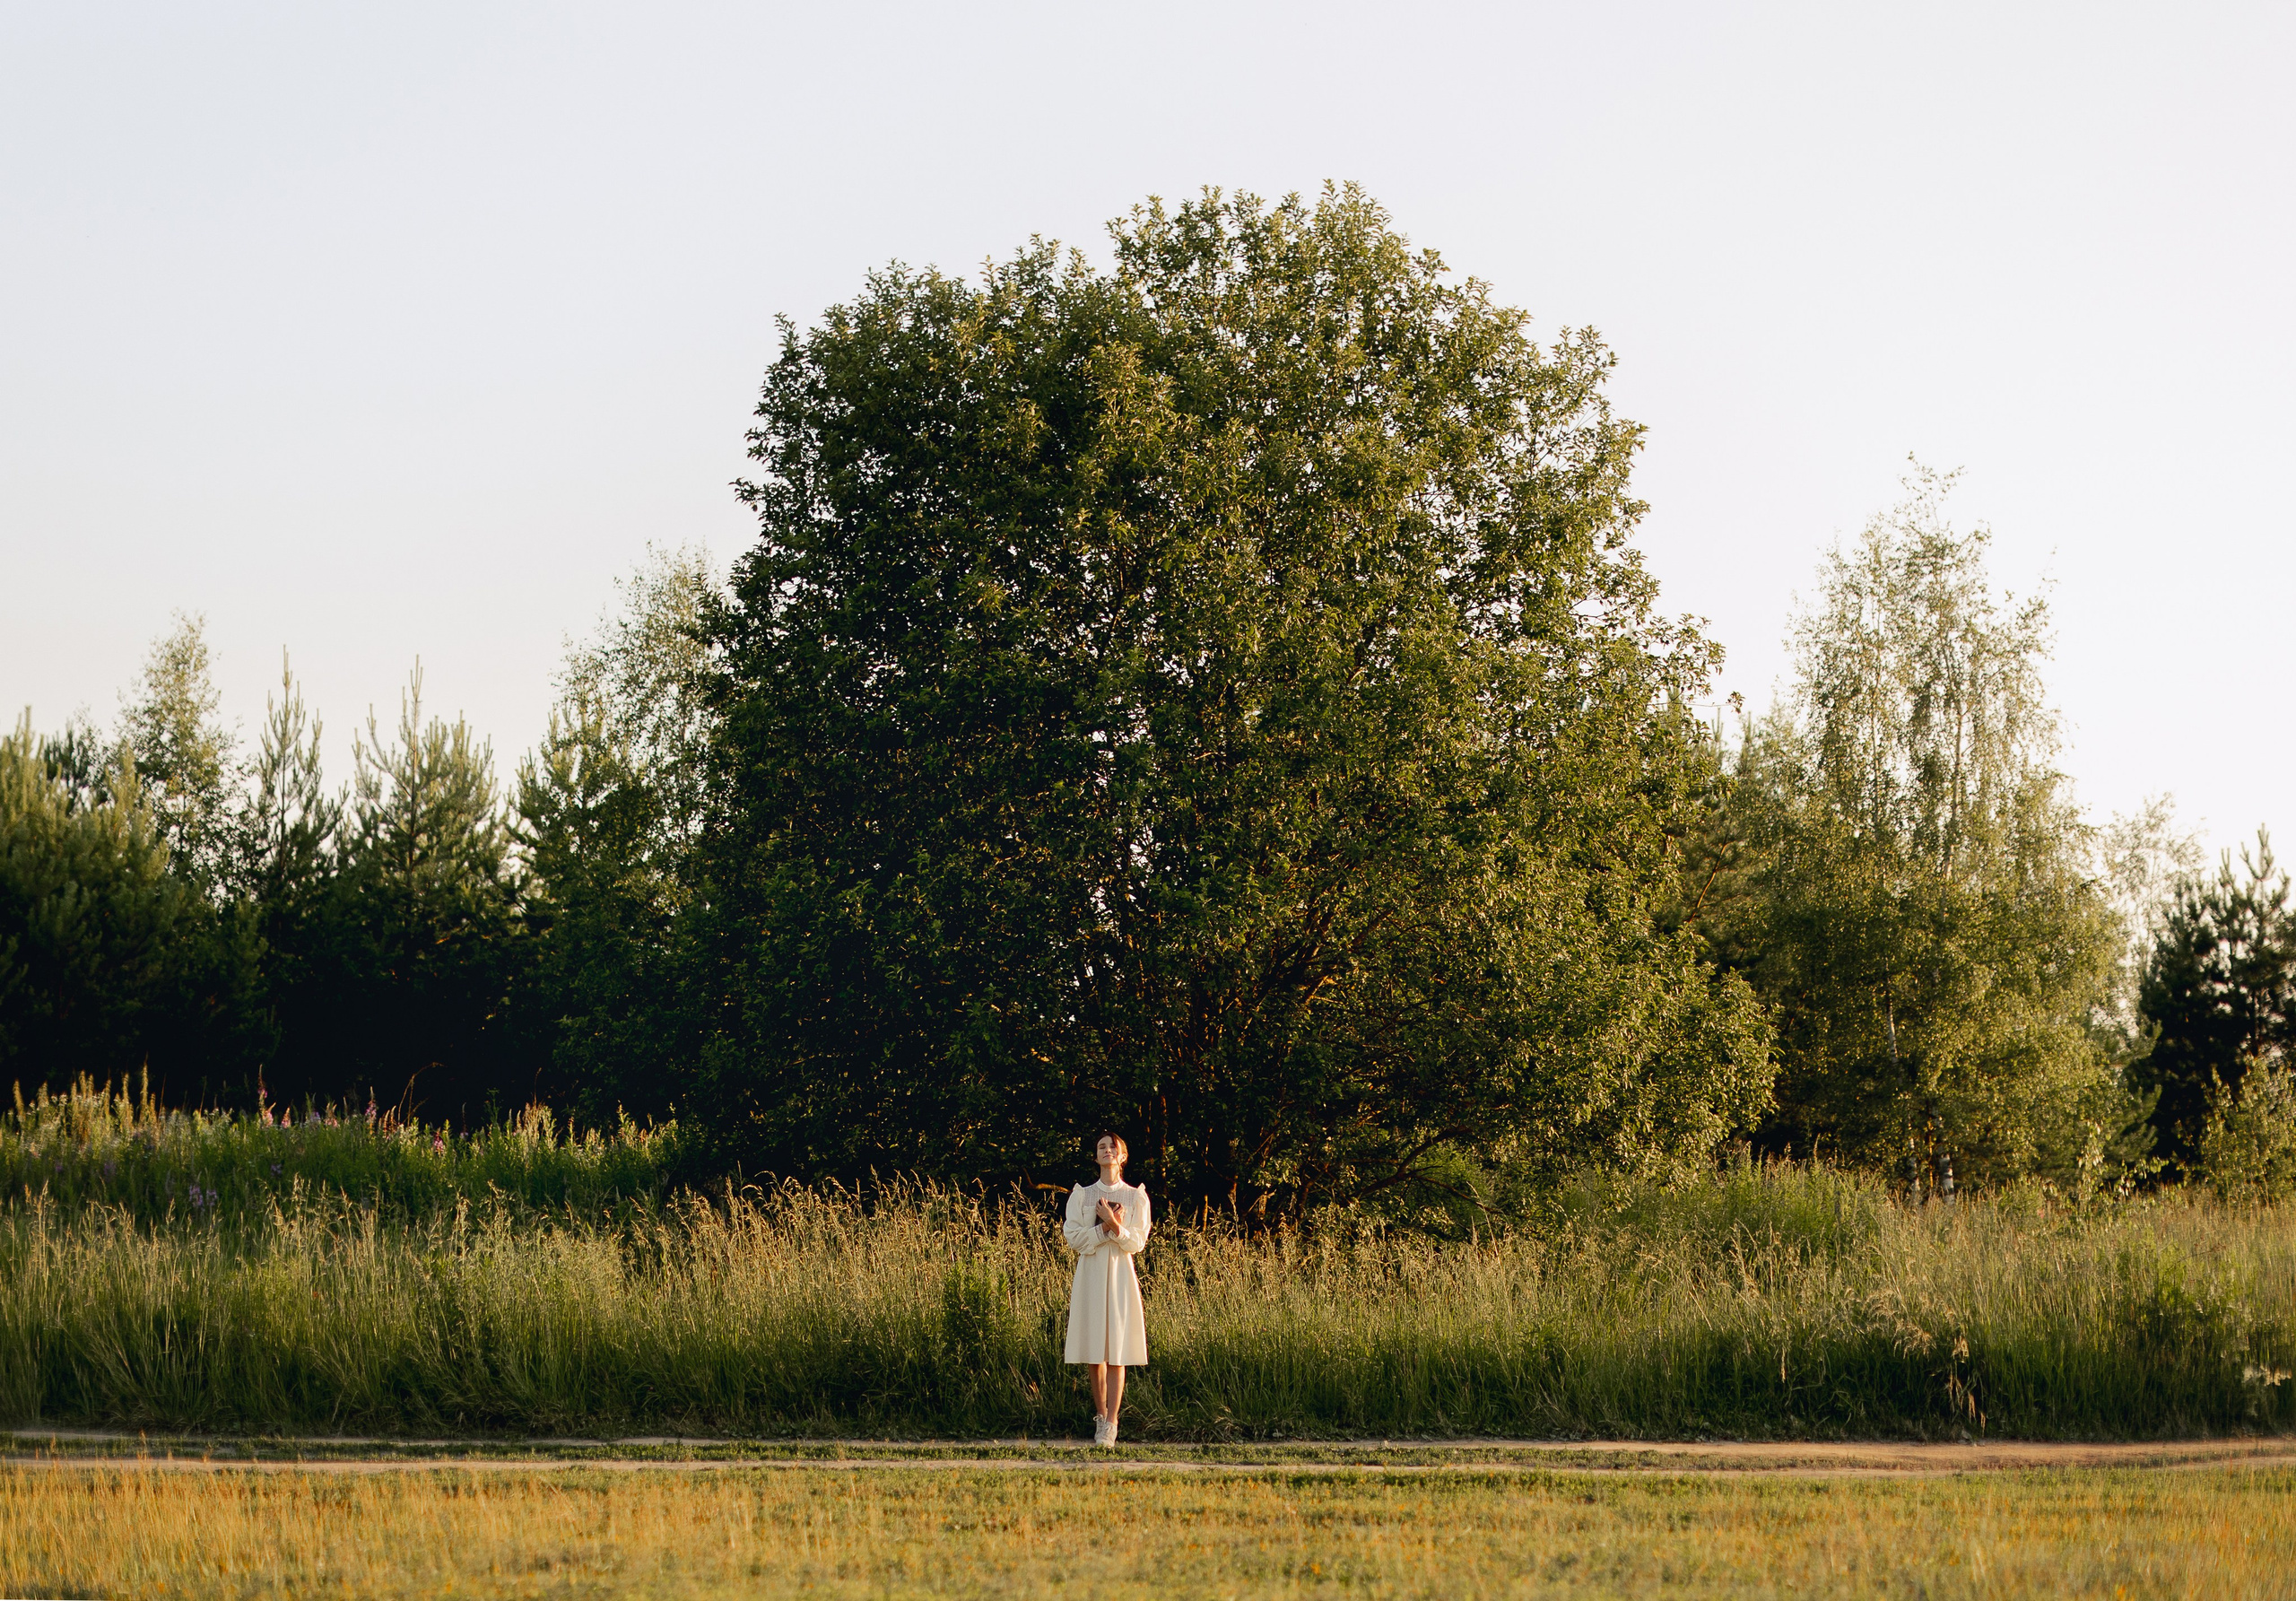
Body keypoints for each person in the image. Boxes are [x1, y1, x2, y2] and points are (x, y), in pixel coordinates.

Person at [1063, 1132, 1151, 1446]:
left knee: (1117, 1350)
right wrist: (1103, 1227)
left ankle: (1113, 1421)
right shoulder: (1082, 1195)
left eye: (1113, 1146)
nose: (1108, 1150)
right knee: (1095, 1350)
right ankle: (1100, 1417)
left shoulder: (1135, 1196)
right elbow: (1075, 1239)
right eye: (1102, 1147)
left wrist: (1114, 1225)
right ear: (1096, 1156)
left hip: (1120, 1276)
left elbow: (1137, 1242)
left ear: (1122, 1156)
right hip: (1091, 1274)